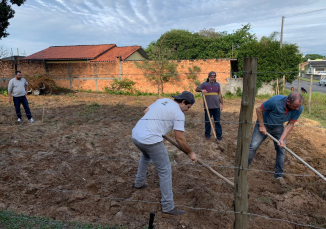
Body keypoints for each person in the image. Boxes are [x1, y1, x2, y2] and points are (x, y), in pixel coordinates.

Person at [132, 91, 197, 216]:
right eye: (188, 107)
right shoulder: (179, 114)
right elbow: (179, 138)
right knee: (165, 170)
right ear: (183, 102)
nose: (187, 110)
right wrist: (190, 152)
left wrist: (158, 126)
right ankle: (168, 206)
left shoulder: (163, 100)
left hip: (136, 135)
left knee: (146, 155)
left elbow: (146, 111)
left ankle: (138, 183)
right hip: (150, 140)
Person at [248, 92, 303, 186]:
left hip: (278, 127)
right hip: (264, 124)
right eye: (295, 106)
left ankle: (279, 175)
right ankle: (244, 168)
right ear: (288, 102)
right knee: (253, 146)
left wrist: (282, 138)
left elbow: (290, 124)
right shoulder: (275, 101)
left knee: (281, 149)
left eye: (298, 106)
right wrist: (261, 126)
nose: (297, 108)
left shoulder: (298, 108)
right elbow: (258, 109)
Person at [195, 71, 223, 140]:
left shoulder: (217, 84)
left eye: (214, 77)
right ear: (208, 77)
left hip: (216, 107)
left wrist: (221, 103)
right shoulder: (204, 84)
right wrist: (202, 90)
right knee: (208, 121)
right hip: (208, 107)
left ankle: (219, 135)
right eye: (211, 77)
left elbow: (219, 94)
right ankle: (207, 134)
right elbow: (196, 89)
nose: (213, 78)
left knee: (217, 121)